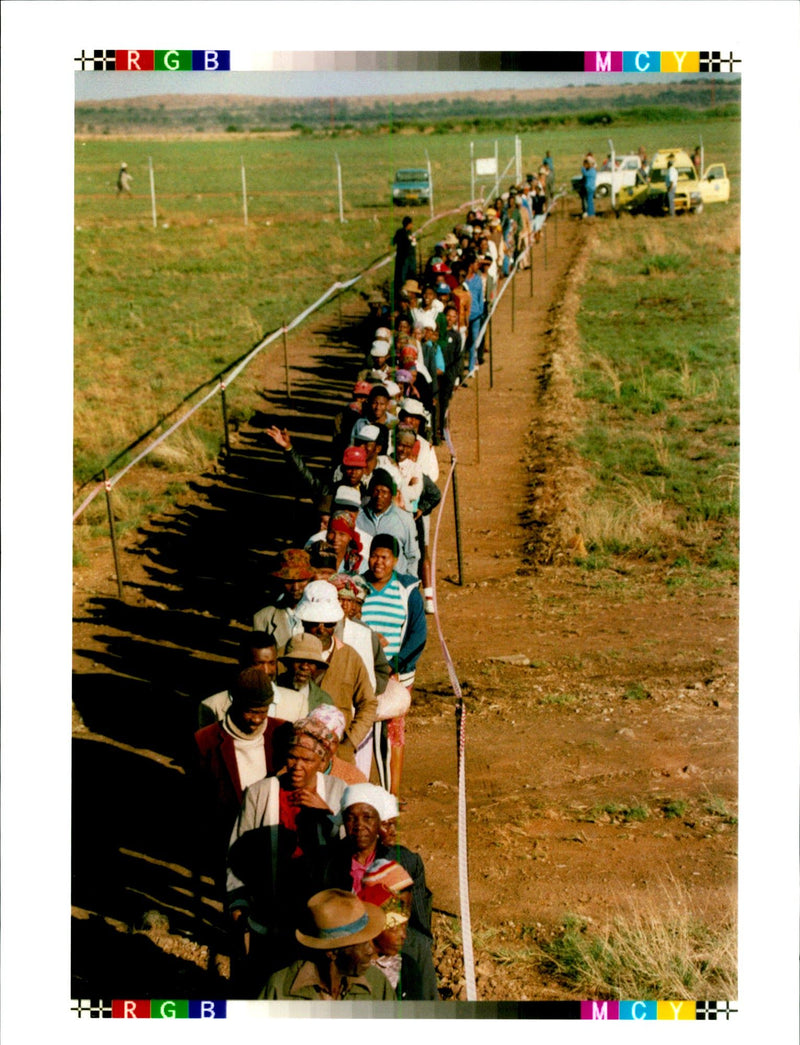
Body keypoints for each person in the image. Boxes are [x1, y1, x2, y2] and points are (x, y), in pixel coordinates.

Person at [226, 719, 347, 991]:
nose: (297, 766)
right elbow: (237, 853)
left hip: (319, 919)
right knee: (266, 985)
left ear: (322, 760)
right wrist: (238, 902)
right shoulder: (260, 794)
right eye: (292, 757)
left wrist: (326, 813)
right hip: (270, 912)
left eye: (306, 759)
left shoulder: (337, 791)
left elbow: (348, 851)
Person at [315, 784, 437, 998]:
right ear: (343, 821)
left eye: (368, 817)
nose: (359, 826)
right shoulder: (326, 863)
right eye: (351, 818)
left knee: (419, 948)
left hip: (388, 938)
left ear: (380, 822)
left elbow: (418, 921)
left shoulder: (406, 861)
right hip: (344, 943)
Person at [361, 536, 426, 796]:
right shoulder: (358, 585)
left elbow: (417, 634)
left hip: (397, 674)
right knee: (362, 730)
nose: (379, 562)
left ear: (395, 561)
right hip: (363, 671)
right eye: (375, 556)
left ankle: (392, 795)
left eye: (385, 557)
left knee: (392, 733)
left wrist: (392, 666)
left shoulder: (407, 589)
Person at [294, 580, 378, 764]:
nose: (321, 629)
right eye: (314, 623)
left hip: (337, 754)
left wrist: (350, 741)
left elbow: (368, 703)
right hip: (296, 753)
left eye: (328, 623)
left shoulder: (350, 656)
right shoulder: (290, 656)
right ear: (303, 622)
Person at [261, 889, 393, 1000]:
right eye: (362, 944)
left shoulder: (377, 983)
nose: (370, 951)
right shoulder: (281, 987)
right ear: (331, 953)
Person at [197, 632, 279, 727]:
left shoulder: (297, 703)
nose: (266, 671)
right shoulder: (212, 706)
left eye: (272, 663)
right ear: (242, 662)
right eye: (259, 664)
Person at [356, 469, 420, 578]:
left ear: (391, 495)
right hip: (364, 580)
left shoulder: (404, 519)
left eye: (384, 492)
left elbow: (413, 556)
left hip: (396, 581)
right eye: (376, 491)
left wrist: (409, 581)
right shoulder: (358, 517)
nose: (379, 496)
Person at [252, 549, 316, 650]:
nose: (295, 587)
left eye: (301, 580)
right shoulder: (263, 618)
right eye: (289, 581)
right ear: (279, 582)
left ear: (310, 580)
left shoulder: (322, 614)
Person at [272, 633, 336, 721]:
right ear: (287, 663)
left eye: (311, 662)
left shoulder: (324, 702)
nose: (304, 667)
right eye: (299, 660)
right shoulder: (271, 690)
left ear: (317, 666)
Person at [306, 705, 367, 785]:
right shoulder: (291, 770)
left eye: (331, 741)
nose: (324, 746)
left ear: (337, 744)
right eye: (318, 739)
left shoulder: (353, 778)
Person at [392, 217, 417, 306]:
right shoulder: (400, 233)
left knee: (412, 274)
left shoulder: (410, 233)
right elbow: (393, 242)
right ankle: (402, 292)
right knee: (402, 276)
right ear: (408, 224)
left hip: (411, 258)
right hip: (404, 258)